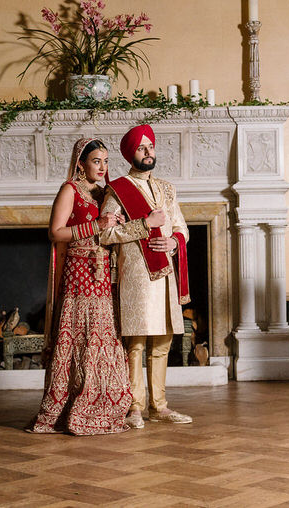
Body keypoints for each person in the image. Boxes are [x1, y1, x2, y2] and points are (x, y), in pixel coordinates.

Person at [27, 137, 133, 435]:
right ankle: (71, 405)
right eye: (96, 161)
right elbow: (55, 232)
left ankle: (104, 404)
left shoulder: (106, 193)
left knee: (104, 333)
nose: (102, 167)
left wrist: (118, 222)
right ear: (81, 163)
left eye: (106, 161)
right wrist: (96, 226)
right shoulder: (69, 190)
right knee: (81, 333)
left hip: (104, 273)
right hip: (79, 271)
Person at [98, 124, 193, 428]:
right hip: (136, 273)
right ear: (130, 153)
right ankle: (134, 407)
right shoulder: (118, 189)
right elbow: (106, 234)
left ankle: (160, 406)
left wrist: (174, 242)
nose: (148, 152)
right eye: (142, 148)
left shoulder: (167, 188)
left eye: (151, 146)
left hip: (165, 270)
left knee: (163, 339)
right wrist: (142, 224)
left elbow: (182, 227)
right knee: (136, 341)